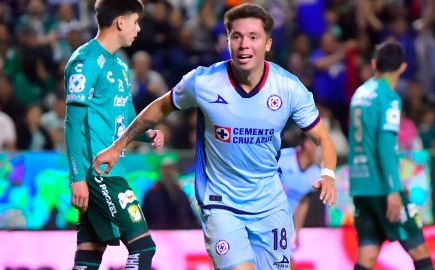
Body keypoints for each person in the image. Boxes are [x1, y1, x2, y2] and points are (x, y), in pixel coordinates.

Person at [93, 4, 337, 270]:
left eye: (253, 37)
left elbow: (322, 138)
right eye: (237, 36)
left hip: (271, 207)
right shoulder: (204, 82)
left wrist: (329, 174)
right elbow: (158, 109)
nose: (244, 44)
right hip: (221, 206)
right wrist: (119, 146)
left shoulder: (289, 88)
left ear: (268, 44)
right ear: (228, 40)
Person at [64, 1, 164, 269]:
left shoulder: (120, 67)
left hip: (107, 172)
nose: (139, 28)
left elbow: (128, 119)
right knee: (143, 248)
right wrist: (77, 178)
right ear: (120, 22)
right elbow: (73, 124)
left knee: (90, 252)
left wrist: (147, 133)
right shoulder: (85, 61)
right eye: (135, 21)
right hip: (93, 172)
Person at [348, 41, 434, 270]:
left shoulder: (359, 94)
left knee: (367, 254)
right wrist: (393, 188)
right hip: (381, 188)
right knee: (419, 249)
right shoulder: (388, 98)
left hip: (359, 186)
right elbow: (385, 146)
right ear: (403, 67)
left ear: (375, 63)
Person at [278, 134, 320, 252]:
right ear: (308, 144)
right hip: (263, 219)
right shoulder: (282, 158)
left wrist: (297, 232)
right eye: (319, 147)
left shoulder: (316, 174)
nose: (322, 153)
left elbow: (302, 204)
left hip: (284, 225)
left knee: (287, 263)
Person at [142, 158, 199, 230]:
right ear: (160, 171)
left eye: (170, 169)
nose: (168, 172)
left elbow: (191, 218)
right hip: (159, 235)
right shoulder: (151, 194)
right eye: (165, 169)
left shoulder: (181, 194)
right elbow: (145, 220)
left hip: (181, 235)